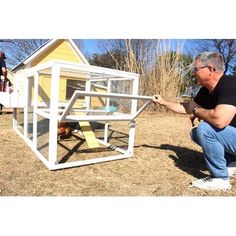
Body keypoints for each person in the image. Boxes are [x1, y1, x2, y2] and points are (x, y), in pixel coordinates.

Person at [152, 51, 236, 191]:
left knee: (205, 129)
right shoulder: (205, 90)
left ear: (210, 69)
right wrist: (163, 102)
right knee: (196, 133)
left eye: (196, 69)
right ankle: (232, 162)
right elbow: (188, 107)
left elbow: (219, 120)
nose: (193, 73)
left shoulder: (231, 85)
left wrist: (197, 112)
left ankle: (220, 179)